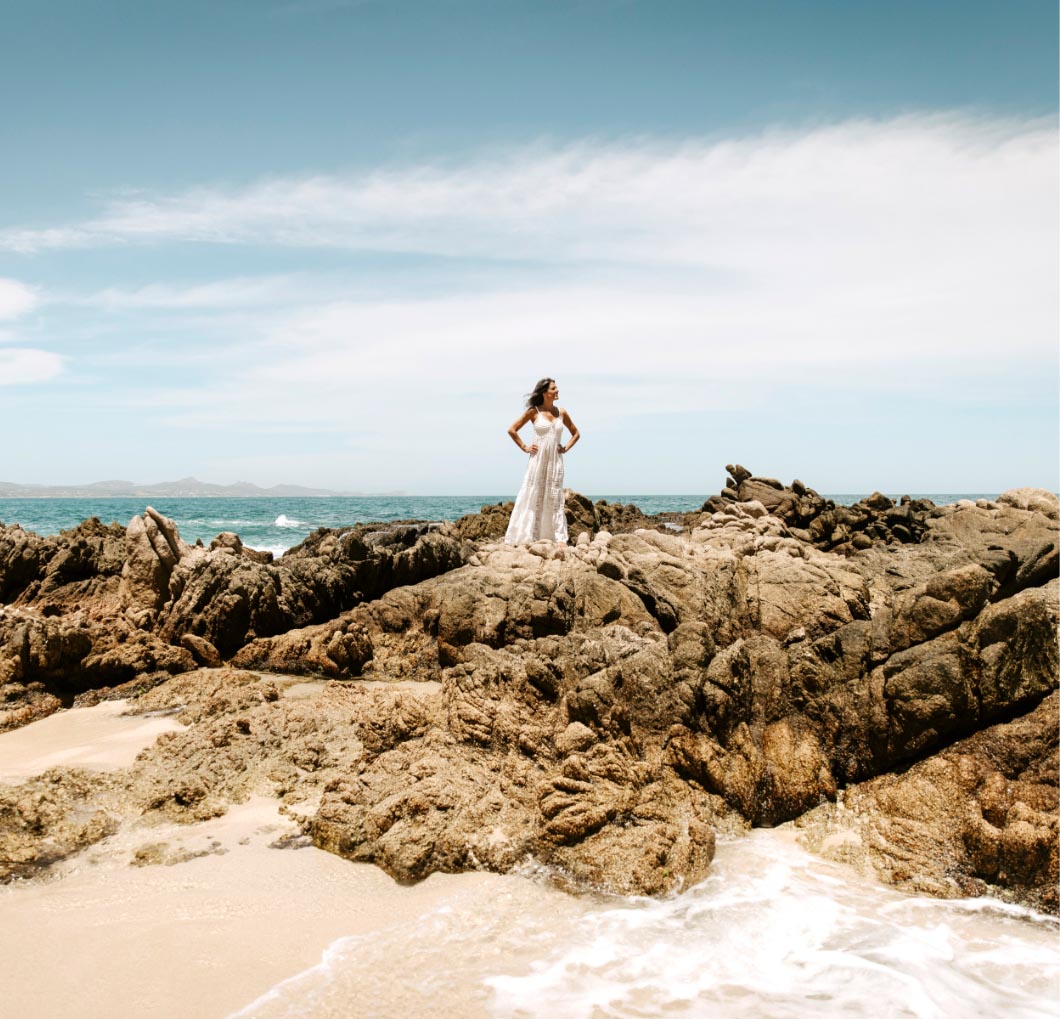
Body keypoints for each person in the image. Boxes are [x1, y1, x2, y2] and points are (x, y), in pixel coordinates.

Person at [504, 377, 580, 544]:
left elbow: (576, 433)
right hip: (537, 460)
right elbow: (512, 430)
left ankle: (555, 536)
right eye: (554, 388)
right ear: (545, 393)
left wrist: (565, 448)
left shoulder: (562, 412)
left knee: (554, 496)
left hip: (555, 461)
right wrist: (525, 447)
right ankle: (528, 535)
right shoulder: (534, 412)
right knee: (533, 494)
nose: (557, 390)